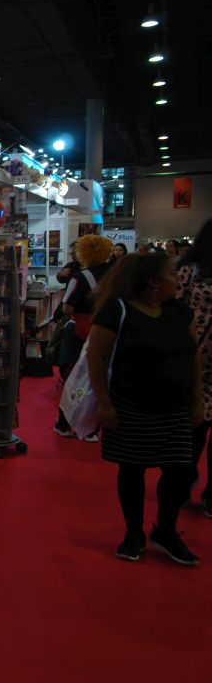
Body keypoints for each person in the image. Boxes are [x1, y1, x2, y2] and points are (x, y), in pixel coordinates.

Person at [88, 253, 200, 565]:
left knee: (179, 471)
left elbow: (193, 358)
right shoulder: (117, 310)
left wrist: (196, 400)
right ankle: (134, 532)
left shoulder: (180, 312)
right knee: (132, 469)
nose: (177, 279)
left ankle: (166, 529)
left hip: (175, 405)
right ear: (153, 281)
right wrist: (104, 402)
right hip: (131, 403)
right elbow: (96, 357)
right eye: (171, 274)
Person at [54, 235, 114, 440]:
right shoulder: (115, 276)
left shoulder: (81, 277)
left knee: (73, 377)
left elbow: (67, 308)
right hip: (107, 332)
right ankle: (91, 428)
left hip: (80, 330)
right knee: (98, 378)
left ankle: (64, 423)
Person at [177, 219, 212, 517]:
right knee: (192, 427)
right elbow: (174, 308)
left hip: (197, 353)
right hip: (193, 358)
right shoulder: (191, 271)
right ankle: (184, 480)